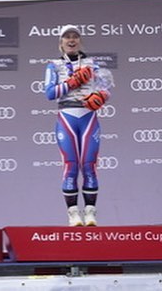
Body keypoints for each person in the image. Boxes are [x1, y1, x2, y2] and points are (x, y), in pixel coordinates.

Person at [44, 24, 113, 227]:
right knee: (71, 165)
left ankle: (90, 213)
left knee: (89, 165)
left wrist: (102, 96)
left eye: (75, 36)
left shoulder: (92, 64)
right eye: (67, 37)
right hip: (67, 116)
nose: (71, 40)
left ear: (80, 41)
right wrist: (72, 83)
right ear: (61, 42)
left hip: (88, 116)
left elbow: (105, 88)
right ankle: (73, 214)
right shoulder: (54, 65)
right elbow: (49, 93)